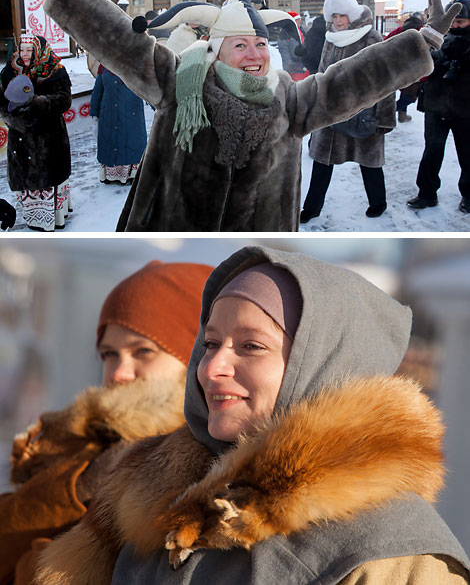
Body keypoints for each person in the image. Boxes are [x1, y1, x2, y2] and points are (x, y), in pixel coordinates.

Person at [34, 244, 470, 585]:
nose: (212, 367)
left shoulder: (393, 551)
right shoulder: (152, 496)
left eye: (251, 346)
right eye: (209, 343)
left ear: (324, 362)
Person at [35, 0, 459, 232]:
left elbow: (349, 79)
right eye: (240, 46)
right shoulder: (179, 83)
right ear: (216, 51)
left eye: (259, 44)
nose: (255, 54)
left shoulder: (290, 100)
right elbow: (124, 43)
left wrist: (417, 45)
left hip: (254, 258)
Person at [0, 259, 212, 585]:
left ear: (194, 356)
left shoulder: (207, 464)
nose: (119, 373)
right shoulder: (69, 441)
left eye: (143, 351)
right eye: (109, 354)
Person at [300, 0, 395, 222]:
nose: (339, 20)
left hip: (364, 111)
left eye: (342, 15)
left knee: (369, 163)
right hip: (331, 113)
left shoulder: (371, 37)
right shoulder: (330, 38)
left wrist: (384, 118)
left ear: (351, 15)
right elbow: (322, 73)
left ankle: (378, 203)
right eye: (334, 16)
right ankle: (312, 208)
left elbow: (386, 79)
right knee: (322, 162)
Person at [0, 35, 72, 232]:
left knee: (48, 179)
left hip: (47, 137)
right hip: (20, 137)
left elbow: (64, 100)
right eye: (22, 49)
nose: (24, 54)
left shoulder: (55, 70)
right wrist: (11, 117)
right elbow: (1, 98)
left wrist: (37, 102)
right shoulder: (10, 70)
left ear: (38, 50)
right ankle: (34, 218)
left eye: (29, 50)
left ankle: (51, 219)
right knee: (27, 179)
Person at [407, 0, 470, 214]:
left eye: (461, 22)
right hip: (436, 104)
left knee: (467, 154)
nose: (455, 25)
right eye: (453, 21)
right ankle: (426, 193)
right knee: (432, 150)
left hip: (464, 108)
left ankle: (469, 196)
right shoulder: (439, 37)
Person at [89, 65, 148, 185]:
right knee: (111, 143)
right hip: (108, 113)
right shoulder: (104, 66)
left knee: (130, 143)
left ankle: (131, 174)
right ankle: (111, 175)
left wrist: (162, 108)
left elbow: (149, 89)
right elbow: (98, 91)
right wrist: (94, 114)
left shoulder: (137, 63)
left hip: (132, 113)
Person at [385, 13, 425, 122]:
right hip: (414, 70)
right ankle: (388, 112)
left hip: (397, 68)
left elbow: (384, 42)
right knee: (410, 96)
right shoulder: (421, 31)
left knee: (406, 92)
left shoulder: (399, 30)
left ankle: (402, 116)